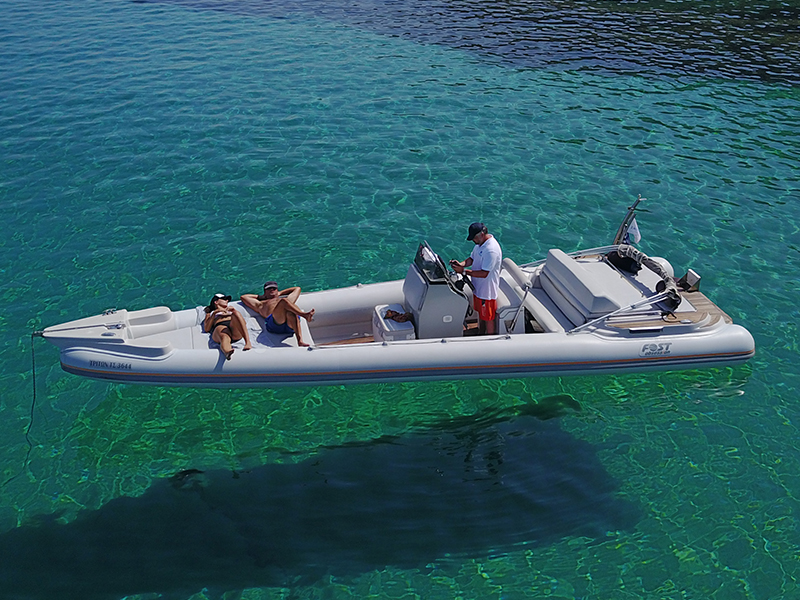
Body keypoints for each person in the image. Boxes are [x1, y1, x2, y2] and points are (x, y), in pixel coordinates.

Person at [449, 222, 503, 335]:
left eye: (474, 238)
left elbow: (484, 273)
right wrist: (461, 264)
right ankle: (481, 332)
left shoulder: (491, 250)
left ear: (481, 234)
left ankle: (490, 338)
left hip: (486, 291)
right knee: (481, 314)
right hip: (478, 288)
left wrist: (464, 271)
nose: (473, 240)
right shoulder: (479, 245)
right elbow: (472, 259)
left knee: (488, 317)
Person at [240, 282, 315, 347]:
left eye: (274, 288)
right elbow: (244, 297)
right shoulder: (261, 304)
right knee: (284, 301)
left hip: (290, 324)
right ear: (265, 292)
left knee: (290, 311)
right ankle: (304, 315)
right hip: (274, 323)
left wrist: (280, 293)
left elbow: (297, 289)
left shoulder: (288, 300)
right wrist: (261, 296)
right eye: (269, 289)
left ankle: (300, 341)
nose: (272, 290)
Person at [203, 293, 252, 360]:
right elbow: (206, 329)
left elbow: (243, 323)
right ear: (216, 302)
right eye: (224, 299)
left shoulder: (231, 310)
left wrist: (234, 311)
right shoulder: (211, 313)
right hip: (220, 325)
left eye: (227, 300)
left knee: (236, 313)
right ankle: (227, 351)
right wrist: (214, 314)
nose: (227, 301)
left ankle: (247, 342)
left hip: (233, 327)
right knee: (224, 336)